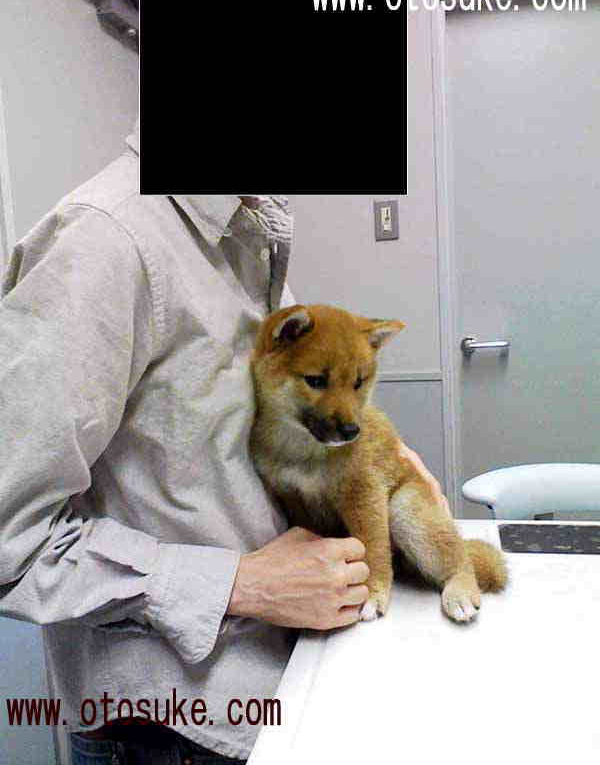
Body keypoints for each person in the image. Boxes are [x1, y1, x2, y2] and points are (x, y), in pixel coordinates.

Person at [0, 119, 449, 765]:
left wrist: (388, 463)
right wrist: (242, 585)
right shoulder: (105, 242)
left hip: (273, 686)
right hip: (169, 732)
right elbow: (9, 537)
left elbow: (247, 434)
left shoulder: (246, 233)